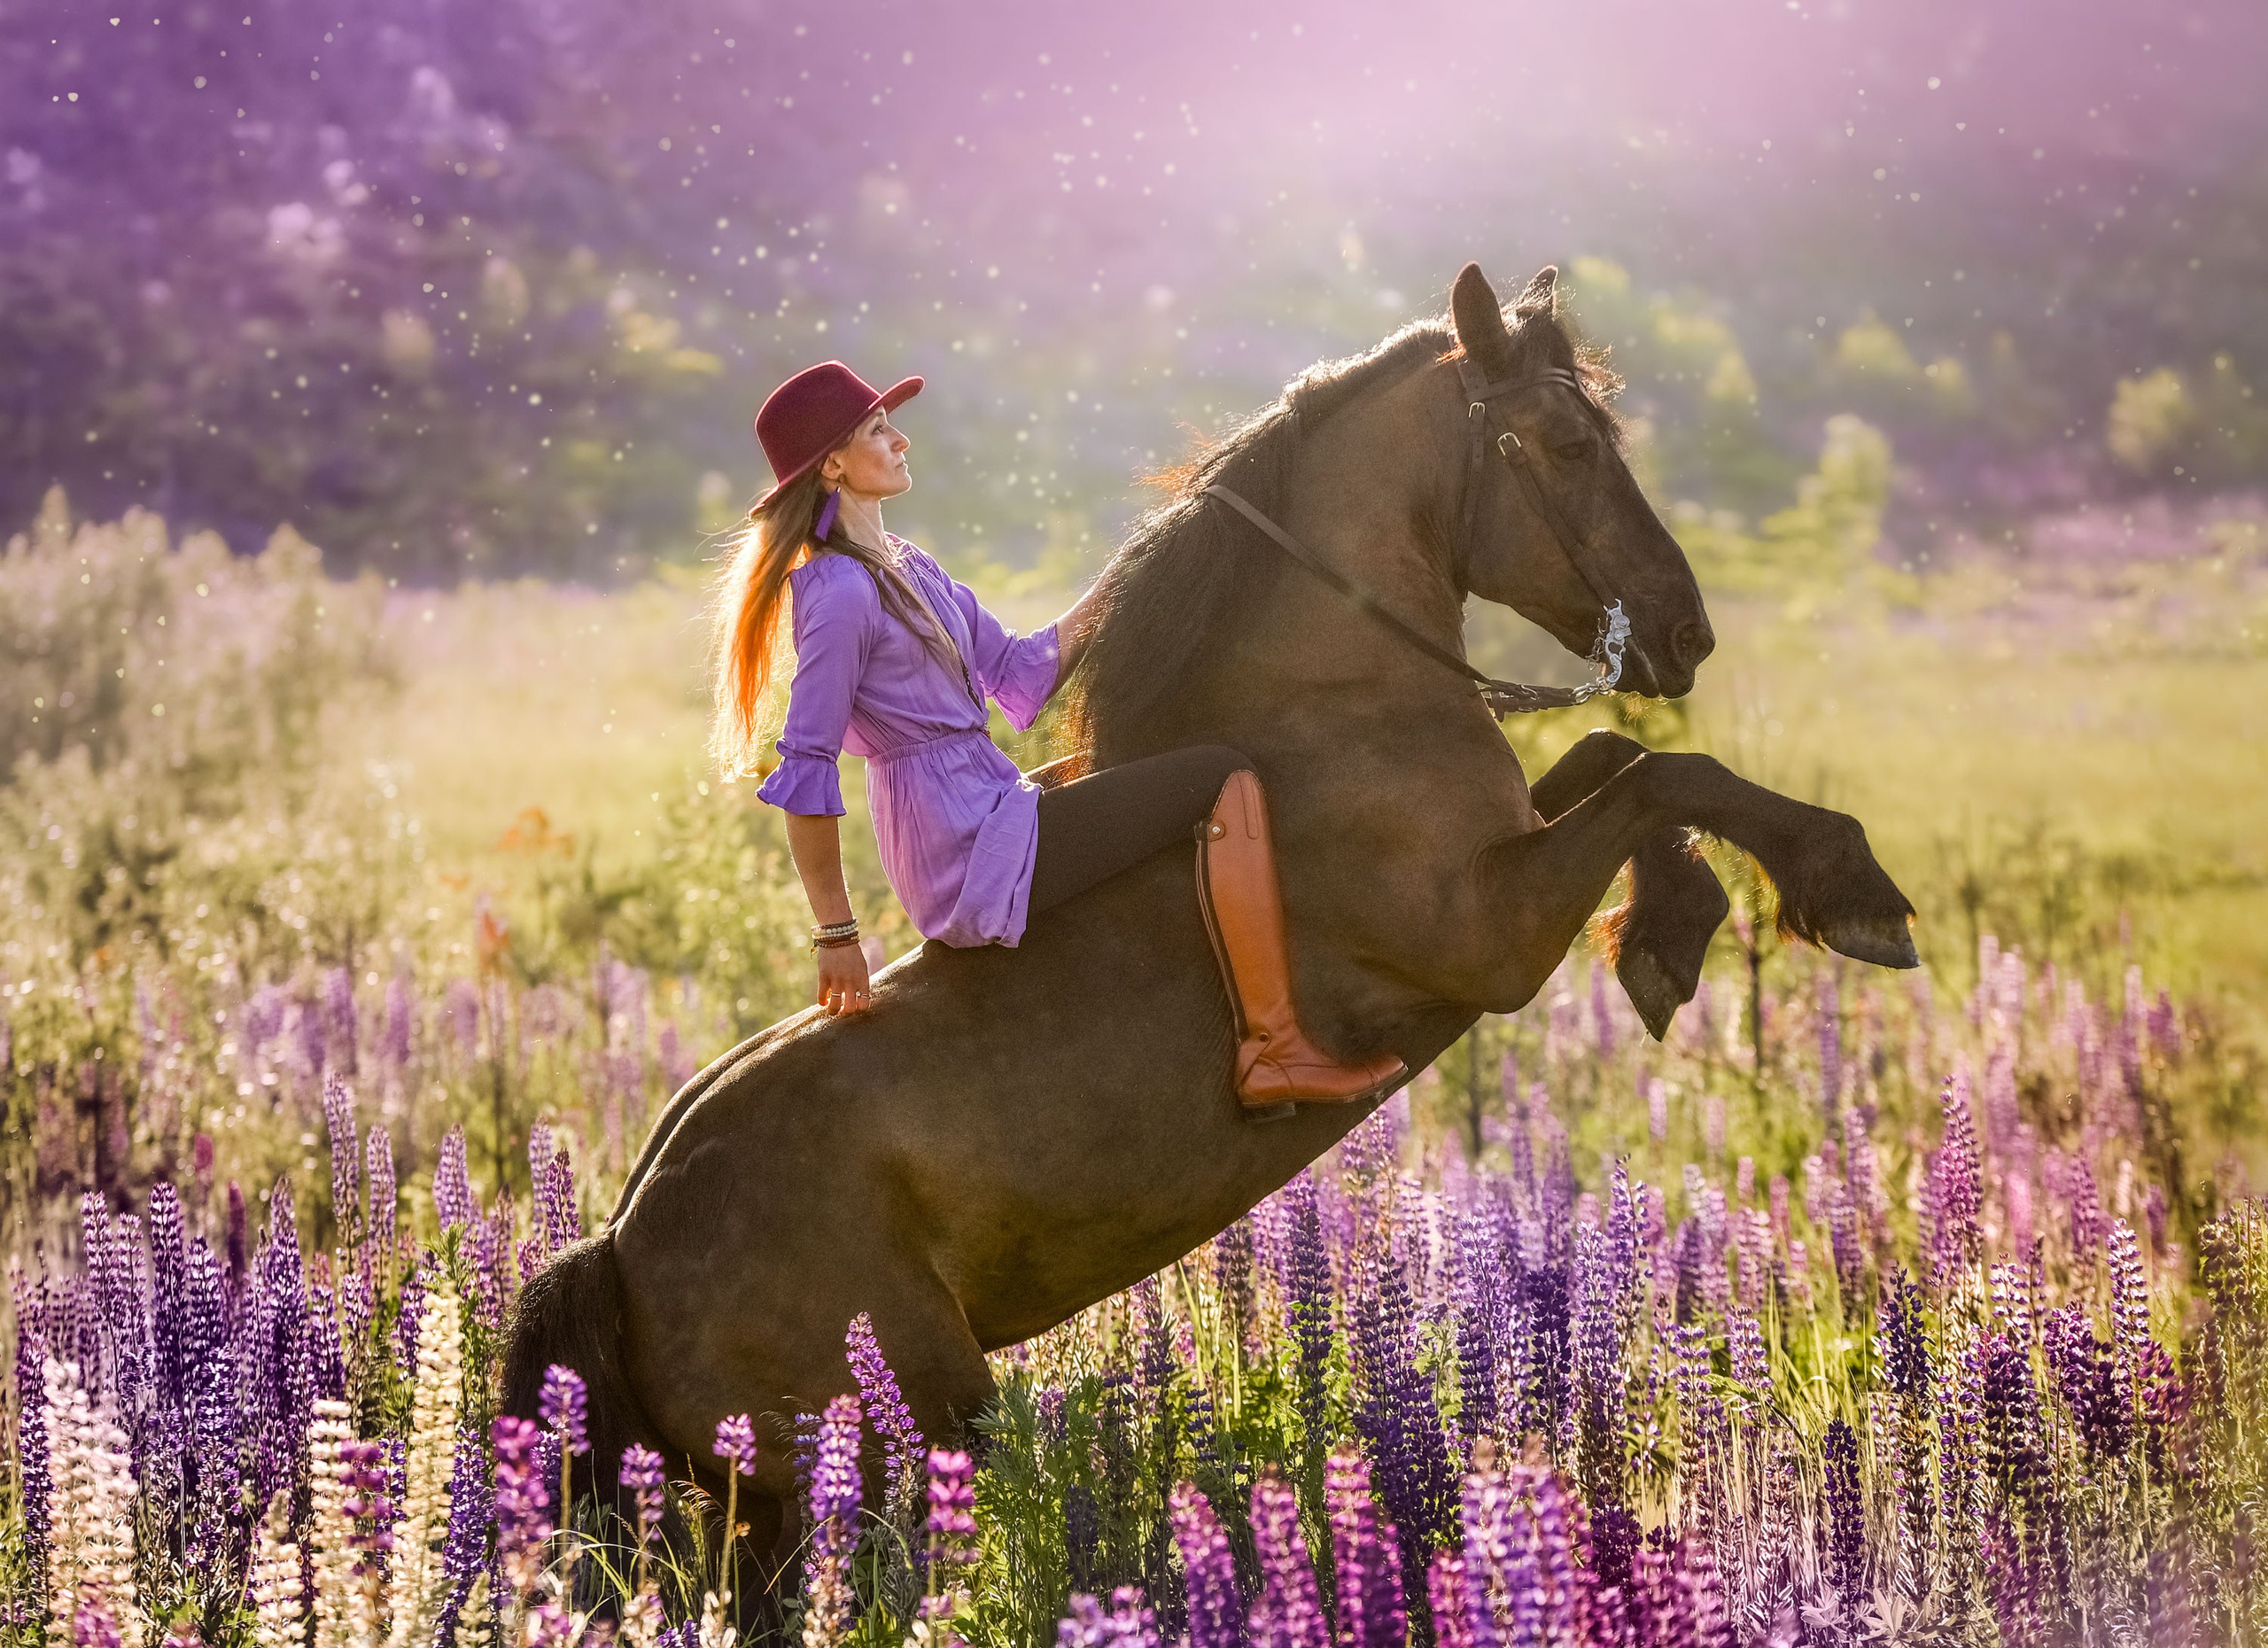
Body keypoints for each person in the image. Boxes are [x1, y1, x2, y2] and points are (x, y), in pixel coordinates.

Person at [710, 360, 1404, 1110]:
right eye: (880, 429)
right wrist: (836, 934)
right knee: (1223, 775)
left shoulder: (906, 566)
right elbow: (807, 767)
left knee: (1136, 764)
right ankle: (1274, 1050)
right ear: (834, 464)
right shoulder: (840, 591)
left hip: (990, 807)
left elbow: (1019, 670)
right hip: (963, 850)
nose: (902, 440)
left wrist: (1151, 557)